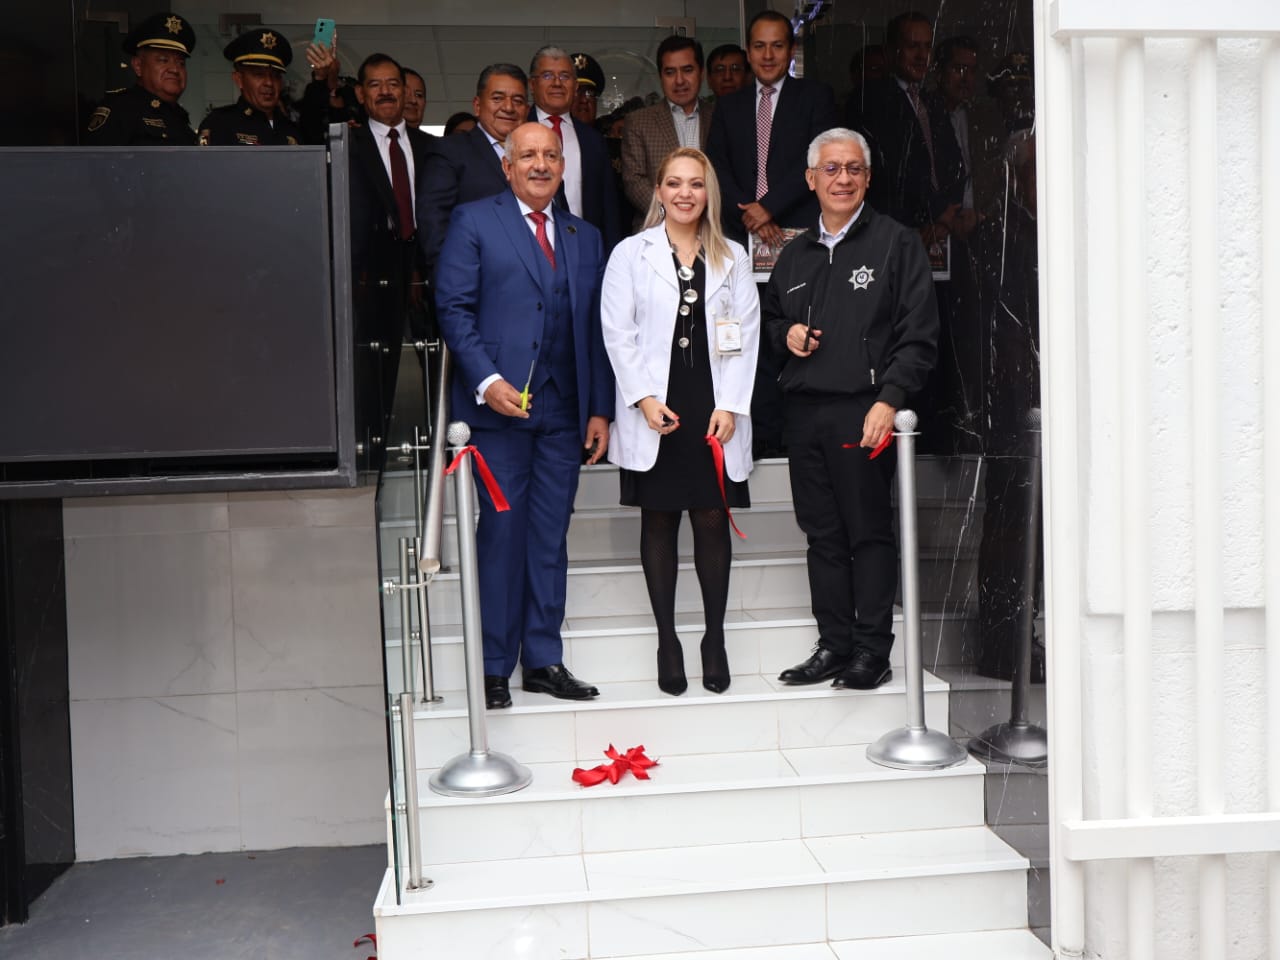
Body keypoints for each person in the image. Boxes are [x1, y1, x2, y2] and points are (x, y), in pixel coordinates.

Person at [435, 122, 614, 709]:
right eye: (528, 155)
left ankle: (542, 660)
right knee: (502, 535)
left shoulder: (586, 236)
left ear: (563, 166)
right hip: (498, 412)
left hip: (564, 411)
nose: (541, 164)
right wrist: (487, 381)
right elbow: (453, 308)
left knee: (549, 536)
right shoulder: (474, 221)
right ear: (507, 166)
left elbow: (598, 329)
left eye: (551, 155)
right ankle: (494, 666)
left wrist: (600, 409)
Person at [764, 128, 938, 690]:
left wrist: (889, 400)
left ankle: (871, 650)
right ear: (810, 179)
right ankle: (834, 645)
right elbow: (770, 321)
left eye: (853, 169)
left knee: (867, 533)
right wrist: (786, 335)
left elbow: (919, 335)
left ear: (867, 178)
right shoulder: (794, 254)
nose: (843, 179)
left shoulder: (895, 242)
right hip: (804, 413)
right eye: (832, 169)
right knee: (822, 535)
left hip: (864, 412)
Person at [601, 147, 759, 695]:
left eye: (695, 183)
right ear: (659, 192)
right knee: (660, 520)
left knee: (712, 520)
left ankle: (714, 638)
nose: (685, 193)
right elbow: (617, 333)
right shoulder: (630, 254)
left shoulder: (732, 256)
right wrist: (643, 399)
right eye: (674, 183)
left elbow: (745, 336)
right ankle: (667, 641)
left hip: (713, 403)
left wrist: (730, 404)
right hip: (655, 406)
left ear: (707, 192)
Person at [705, 9, 837, 458]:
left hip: (797, 237)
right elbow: (717, 165)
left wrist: (770, 208)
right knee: (750, 333)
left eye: (777, 45)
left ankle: (798, 435)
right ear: (748, 51)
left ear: (791, 50)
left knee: (798, 331)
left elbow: (818, 160)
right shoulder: (730, 104)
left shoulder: (815, 97)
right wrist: (751, 212)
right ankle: (761, 434)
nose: (767, 55)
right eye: (759, 46)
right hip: (742, 237)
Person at [417, 64, 529, 279]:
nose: (508, 107)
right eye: (497, 98)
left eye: (517, 100)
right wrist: (455, 286)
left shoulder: (540, 156)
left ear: (526, 109)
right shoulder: (450, 152)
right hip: (476, 286)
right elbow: (434, 227)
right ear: (477, 105)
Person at [527, 46, 622, 253]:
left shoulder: (593, 140)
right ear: (532, 84)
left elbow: (609, 209)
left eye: (565, 76)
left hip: (584, 250)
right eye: (547, 75)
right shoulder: (517, 131)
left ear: (575, 85)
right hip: (529, 249)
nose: (557, 83)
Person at [621, 36, 713, 231]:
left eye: (687, 70)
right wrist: (675, 213)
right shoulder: (639, 122)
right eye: (670, 72)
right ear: (661, 76)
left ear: (702, 73)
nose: (679, 80)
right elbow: (634, 181)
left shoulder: (718, 117)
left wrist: (704, 213)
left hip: (712, 228)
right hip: (657, 228)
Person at [84, 12, 197, 145]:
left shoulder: (178, 116)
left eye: (181, 63)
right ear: (138, 66)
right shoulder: (121, 111)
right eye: (163, 60)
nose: (175, 69)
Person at [198, 28, 302, 145]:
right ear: (239, 79)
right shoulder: (219, 124)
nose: (269, 82)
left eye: (275, 75)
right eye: (259, 74)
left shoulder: (291, 129)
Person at [299, 33, 362, 143]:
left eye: (332, 54)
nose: (328, 60)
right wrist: (320, 77)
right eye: (323, 57)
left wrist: (356, 129)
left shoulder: (351, 90)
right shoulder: (313, 91)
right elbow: (309, 126)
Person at [570, 53, 605, 126]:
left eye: (590, 92)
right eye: (577, 91)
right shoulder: (548, 131)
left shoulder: (601, 134)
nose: (584, 100)